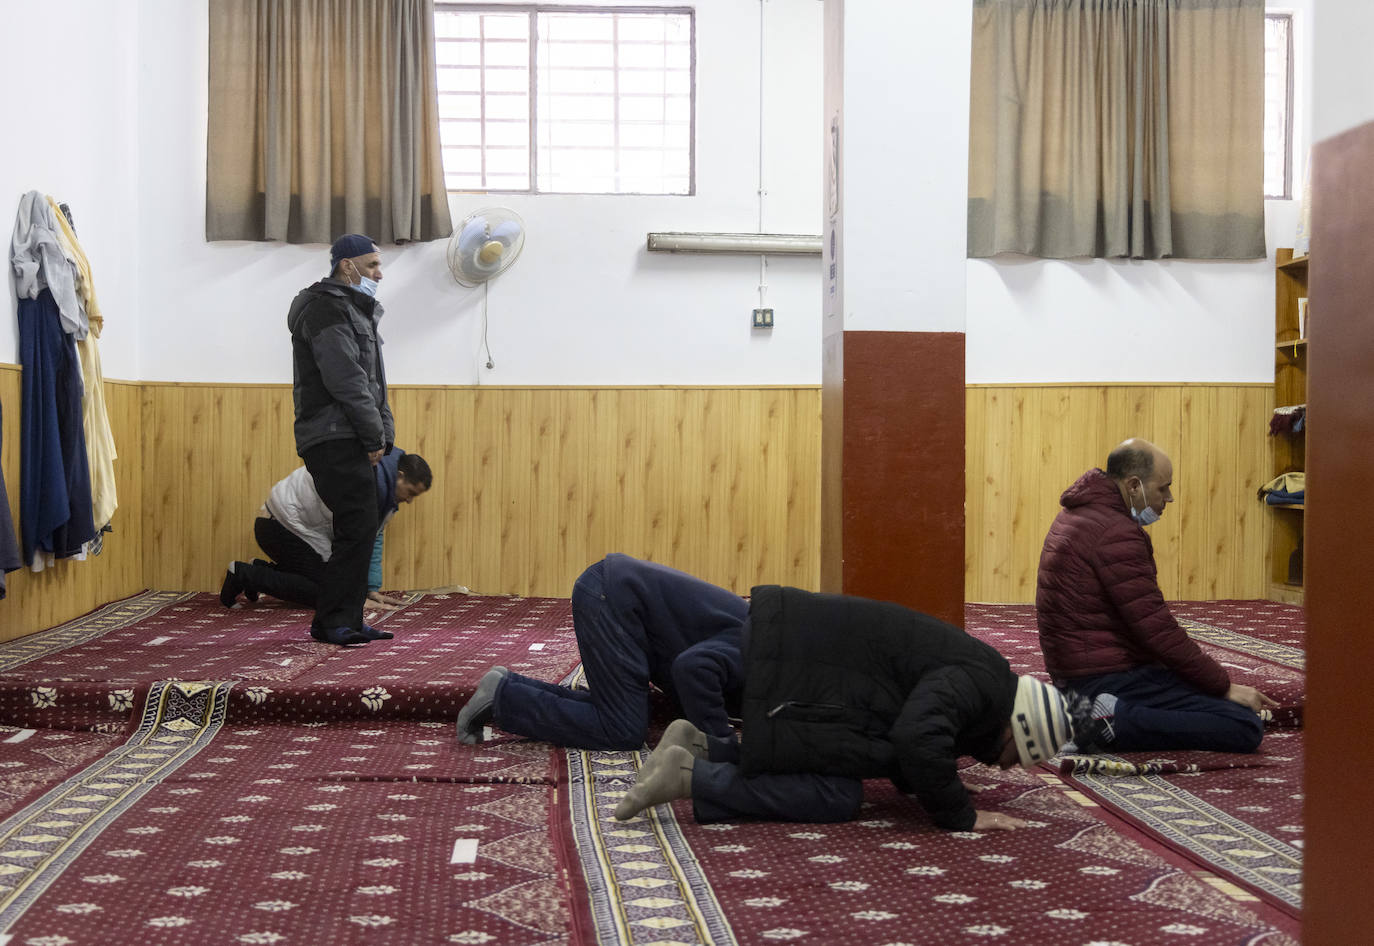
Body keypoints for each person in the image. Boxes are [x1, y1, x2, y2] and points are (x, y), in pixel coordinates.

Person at [612, 584, 1078, 832]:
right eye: (1016, 756)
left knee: (830, 771)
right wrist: (960, 814)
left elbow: (910, 719)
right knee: (836, 795)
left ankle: (702, 748)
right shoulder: (979, 683)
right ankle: (692, 777)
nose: (1004, 768)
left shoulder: (986, 678)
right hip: (794, 663)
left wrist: (933, 779)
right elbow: (916, 737)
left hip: (794, 649)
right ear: (1016, 728)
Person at [1036, 438, 1277, 754]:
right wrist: (1223, 686)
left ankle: (1093, 713)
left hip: (1080, 675)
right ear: (1134, 485)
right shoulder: (1115, 532)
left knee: (1211, 700)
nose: (1169, 498)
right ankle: (1104, 721)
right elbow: (1157, 630)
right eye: (1163, 488)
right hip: (1104, 679)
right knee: (1243, 724)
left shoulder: (1078, 514)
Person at [456, 554, 748, 750]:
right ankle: (504, 699)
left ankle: (510, 687)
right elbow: (691, 669)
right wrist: (721, 746)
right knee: (622, 729)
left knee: (625, 710)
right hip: (612, 600)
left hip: (616, 598)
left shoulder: (767, 637)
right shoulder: (759, 650)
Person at [287, 234, 394, 646]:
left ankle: (347, 618)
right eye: (371, 266)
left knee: (361, 527)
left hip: (349, 431)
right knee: (357, 526)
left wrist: (384, 432)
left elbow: (373, 382)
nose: (378, 274)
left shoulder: (353, 310)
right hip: (333, 434)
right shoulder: (326, 308)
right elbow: (346, 380)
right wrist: (373, 434)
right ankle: (331, 622)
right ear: (347, 266)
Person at [219, 451, 431, 638]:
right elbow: (351, 546)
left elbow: (371, 538)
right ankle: (244, 574)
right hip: (279, 527)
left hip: (289, 526)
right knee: (330, 595)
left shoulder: (383, 489)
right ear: (400, 476)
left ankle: (260, 570)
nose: (410, 501)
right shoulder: (367, 482)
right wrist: (353, 599)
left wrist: (370, 588)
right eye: (411, 493)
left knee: (333, 587)